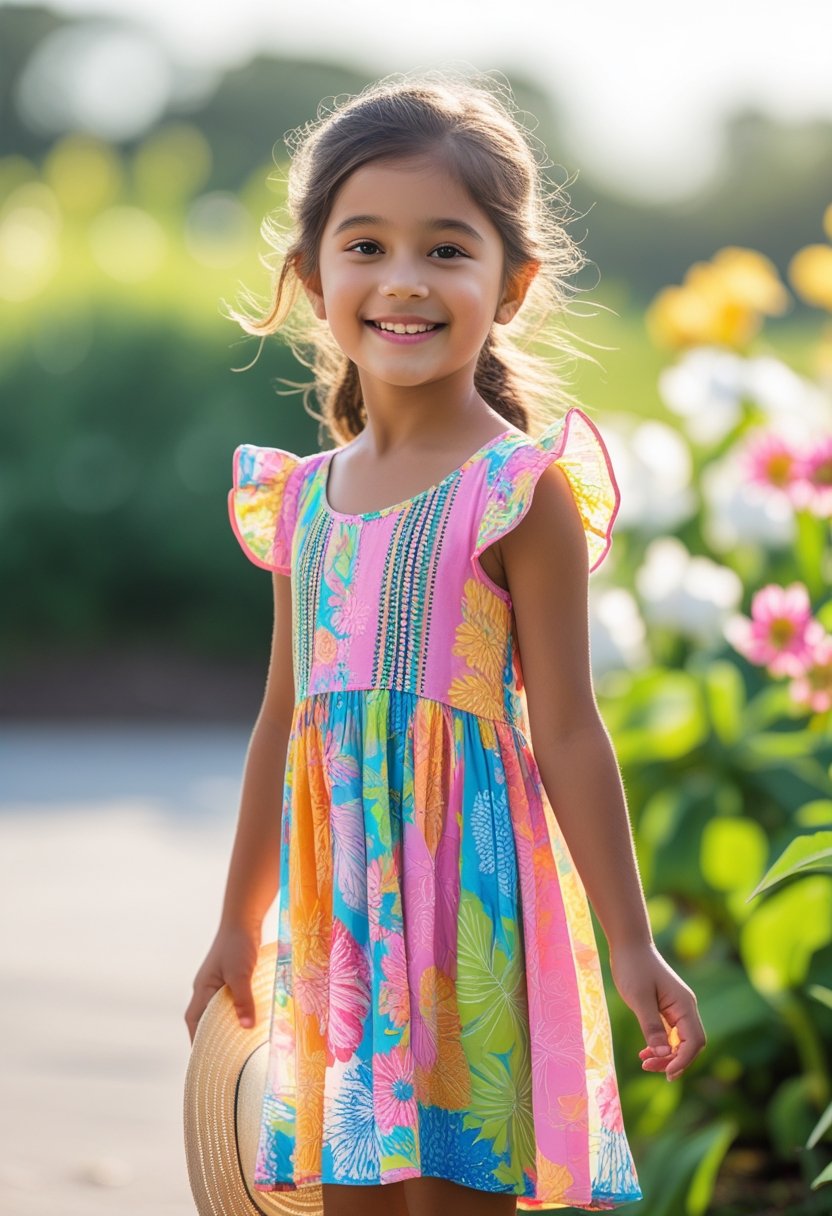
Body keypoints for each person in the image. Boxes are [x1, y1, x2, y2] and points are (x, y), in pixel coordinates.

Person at [185, 69, 706, 1216]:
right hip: (342, 932)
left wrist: (630, 944)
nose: (402, 280)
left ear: (510, 285)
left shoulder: (520, 493)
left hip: (469, 919)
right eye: (364, 246)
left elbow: (567, 727)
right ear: (311, 273)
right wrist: (238, 920)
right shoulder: (303, 500)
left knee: (456, 1199)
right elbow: (285, 719)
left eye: (446, 250)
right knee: (352, 1201)